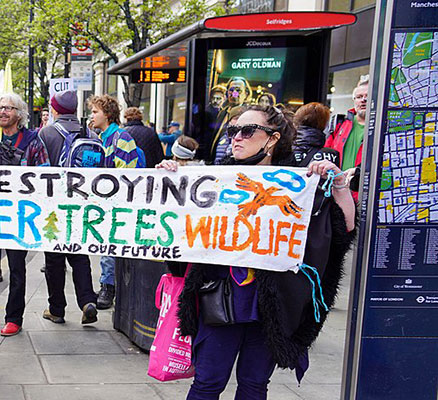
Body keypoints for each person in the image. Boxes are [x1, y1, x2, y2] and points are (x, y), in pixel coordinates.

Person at [159, 105, 355, 399]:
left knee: (253, 385)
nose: (236, 138)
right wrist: (169, 179)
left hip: (271, 305)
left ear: (273, 138)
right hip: (220, 296)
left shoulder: (298, 182)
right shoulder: (213, 177)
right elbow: (174, 229)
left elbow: (342, 231)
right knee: (207, 383)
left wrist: (338, 185)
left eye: (247, 131)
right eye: (232, 131)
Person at [22, 91, 100, 326]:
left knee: (54, 260)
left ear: (54, 109)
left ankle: (57, 309)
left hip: (53, 206)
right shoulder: (92, 135)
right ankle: (87, 300)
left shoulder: (45, 133)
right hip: (81, 205)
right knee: (79, 254)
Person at [0, 93, 34, 336]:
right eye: (0, 108)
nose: (3, 112)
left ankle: (14, 318)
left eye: (8, 108)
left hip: (20, 216)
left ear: (19, 115)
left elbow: (44, 175)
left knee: (16, 268)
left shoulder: (33, 142)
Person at [87, 94, 146, 310]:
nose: (92, 116)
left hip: (116, 202)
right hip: (104, 201)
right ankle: (107, 284)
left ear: (108, 114)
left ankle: (108, 287)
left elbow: (126, 173)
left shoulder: (121, 138)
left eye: (95, 112)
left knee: (110, 247)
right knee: (106, 245)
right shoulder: (100, 138)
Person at [326, 76, 368, 174]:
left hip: (362, 187)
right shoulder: (339, 124)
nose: (363, 100)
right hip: (337, 185)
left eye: (368, 96)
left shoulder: (382, 128)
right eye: (359, 97)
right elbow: (326, 154)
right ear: (354, 100)